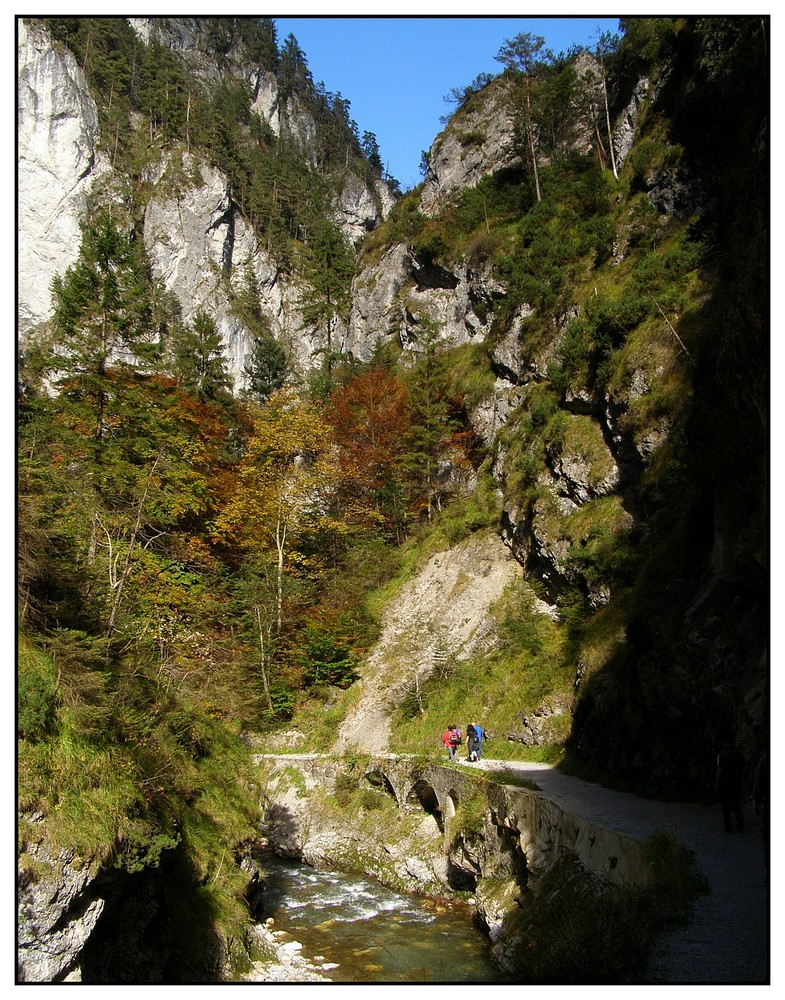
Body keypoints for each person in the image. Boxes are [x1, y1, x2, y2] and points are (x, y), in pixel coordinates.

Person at [715, 734, 745, 833]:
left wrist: (716, 783)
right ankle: (740, 824)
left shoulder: (721, 754)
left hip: (725, 784)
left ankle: (728, 827)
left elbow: (719, 770)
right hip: (736, 782)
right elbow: (743, 768)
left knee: (725, 806)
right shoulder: (739, 754)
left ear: (724, 744)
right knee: (736, 804)